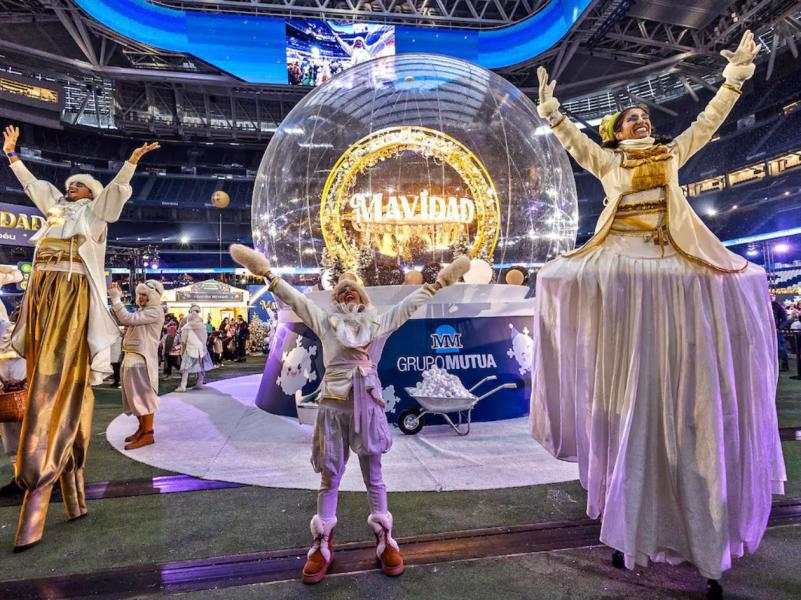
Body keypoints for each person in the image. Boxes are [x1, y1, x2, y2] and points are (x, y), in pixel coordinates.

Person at [529, 32, 785, 597]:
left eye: (645, 116)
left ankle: (697, 531)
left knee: (736, 295)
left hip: (674, 266)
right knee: (553, 278)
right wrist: (551, 109)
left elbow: (708, 124)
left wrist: (733, 80)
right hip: (622, 269)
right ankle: (630, 521)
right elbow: (572, 141)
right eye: (630, 118)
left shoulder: (671, 154)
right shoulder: (606, 160)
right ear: (617, 132)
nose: (640, 121)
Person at [230, 243, 469, 584]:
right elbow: (297, 300)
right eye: (341, 291)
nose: (347, 294)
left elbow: (409, 305)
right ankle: (322, 544)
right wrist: (267, 273)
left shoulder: (379, 322)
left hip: (367, 406)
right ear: (336, 299)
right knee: (330, 476)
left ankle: (385, 538)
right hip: (332, 408)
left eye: (352, 290)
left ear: (361, 296)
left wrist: (439, 283)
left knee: (374, 475)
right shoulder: (325, 322)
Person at [3, 124, 158, 551]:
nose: (71, 189)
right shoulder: (55, 211)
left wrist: (130, 163)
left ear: (89, 194)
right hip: (42, 291)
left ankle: (44, 474)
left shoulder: (95, 215)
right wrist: (12, 156)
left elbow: (112, 195)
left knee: (58, 382)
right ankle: (67, 488)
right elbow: (36, 185)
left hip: (73, 292)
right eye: (69, 186)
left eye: (79, 186)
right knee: (39, 374)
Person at [110, 280, 165, 450]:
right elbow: (125, 320)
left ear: (153, 296)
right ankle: (142, 429)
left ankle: (148, 433)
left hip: (141, 359)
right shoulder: (145, 311)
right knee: (134, 398)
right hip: (133, 357)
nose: (141, 298)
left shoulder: (155, 311)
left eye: (145, 295)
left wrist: (116, 299)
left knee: (143, 397)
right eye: (140, 294)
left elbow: (127, 318)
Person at [176, 304, 213, 392]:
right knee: (201, 366)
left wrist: (182, 351)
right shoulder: (203, 326)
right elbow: (205, 338)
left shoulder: (186, 327)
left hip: (190, 349)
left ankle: (183, 386)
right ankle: (199, 383)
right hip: (201, 349)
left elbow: (183, 341)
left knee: (186, 368)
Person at [772, 294, 790, 370]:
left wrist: (779, 328)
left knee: (781, 348)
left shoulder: (777, 306)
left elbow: (785, 319)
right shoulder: (763, 306)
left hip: (777, 331)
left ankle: (785, 364)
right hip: (766, 331)